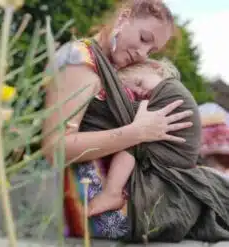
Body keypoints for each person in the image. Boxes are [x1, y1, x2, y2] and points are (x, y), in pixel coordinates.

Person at [43, 0, 193, 239]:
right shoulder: (80, 62)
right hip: (89, 208)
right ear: (124, 17)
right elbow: (55, 147)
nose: (143, 54)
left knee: (203, 195)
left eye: (151, 50)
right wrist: (137, 133)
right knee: (201, 203)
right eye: (144, 38)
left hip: (114, 198)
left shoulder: (107, 67)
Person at [88, 58, 187, 216]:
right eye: (139, 83)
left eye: (147, 97)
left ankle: (113, 192)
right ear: (155, 68)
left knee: (135, 143)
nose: (141, 93)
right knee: (134, 141)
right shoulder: (117, 89)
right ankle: (112, 192)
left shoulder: (134, 98)